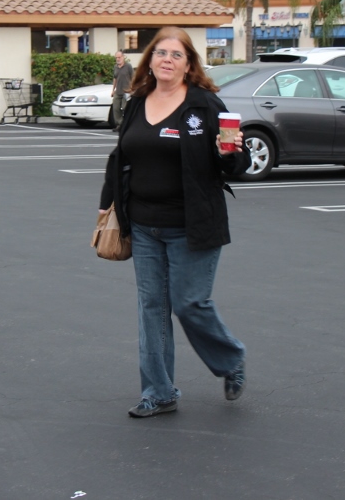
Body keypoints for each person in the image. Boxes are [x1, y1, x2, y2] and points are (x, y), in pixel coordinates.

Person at [99, 26, 251, 418]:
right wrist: (107, 205)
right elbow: (120, 158)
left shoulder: (204, 105)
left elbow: (235, 163)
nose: (167, 59)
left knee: (189, 303)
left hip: (192, 224)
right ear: (149, 60)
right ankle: (159, 391)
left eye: (176, 54)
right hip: (144, 224)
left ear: (188, 64)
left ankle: (230, 358)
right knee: (151, 307)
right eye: (160, 52)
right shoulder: (137, 101)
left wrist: (229, 153)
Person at [110, 50, 134, 131]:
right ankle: (119, 124)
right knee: (116, 108)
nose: (117, 59)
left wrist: (132, 89)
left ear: (123, 57)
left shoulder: (128, 66)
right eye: (116, 58)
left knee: (125, 108)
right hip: (118, 91)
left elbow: (133, 77)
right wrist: (113, 90)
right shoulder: (115, 67)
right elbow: (115, 78)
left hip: (126, 91)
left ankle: (127, 124)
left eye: (119, 57)